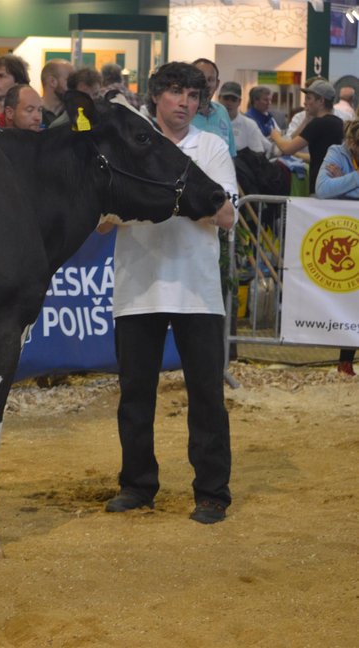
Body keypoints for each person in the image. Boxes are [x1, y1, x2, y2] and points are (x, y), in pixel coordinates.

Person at [98, 61, 237, 525]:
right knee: (135, 394)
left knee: (206, 396)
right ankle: (137, 486)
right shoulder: (130, 145)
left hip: (197, 291)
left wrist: (151, 199)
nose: (185, 103)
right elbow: (102, 218)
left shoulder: (212, 145)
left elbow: (224, 214)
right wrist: (182, 198)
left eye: (194, 96)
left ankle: (212, 492)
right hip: (138, 287)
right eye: (176, 92)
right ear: (155, 96)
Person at [313, 118, 359, 376]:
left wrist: (346, 184)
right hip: (348, 234)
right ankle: (345, 362)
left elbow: (335, 189)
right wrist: (357, 178)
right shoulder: (336, 152)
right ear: (352, 144)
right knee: (352, 297)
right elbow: (323, 189)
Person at [270, 80, 344, 194]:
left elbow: (287, 149)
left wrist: (276, 136)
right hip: (335, 182)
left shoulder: (318, 124)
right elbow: (320, 155)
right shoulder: (339, 122)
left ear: (321, 101)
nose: (305, 103)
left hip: (320, 183)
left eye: (309, 98)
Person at [218, 81, 277, 156]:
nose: (229, 103)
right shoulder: (209, 122)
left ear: (239, 102)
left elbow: (258, 154)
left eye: (233, 99)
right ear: (219, 98)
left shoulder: (249, 125)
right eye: (226, 98)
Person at [192, 58, 236, 157]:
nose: (206, 84)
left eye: (210, 80)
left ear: (217, 84)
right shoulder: (183, 113)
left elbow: (231, 154)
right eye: (201, 79)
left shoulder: (222, 111)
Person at [40, 59, 74, 127]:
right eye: (70, 80)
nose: (74, 85)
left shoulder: (73, 113)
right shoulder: (34, 113)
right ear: (52, 81)